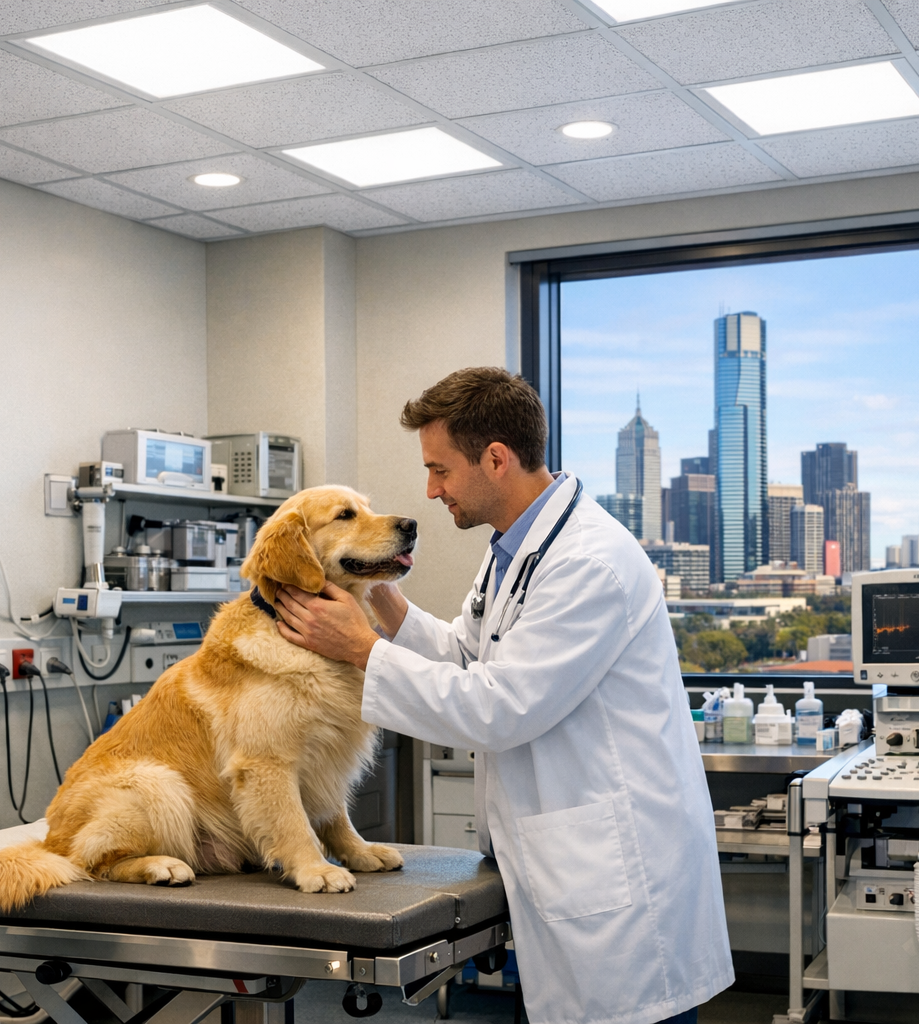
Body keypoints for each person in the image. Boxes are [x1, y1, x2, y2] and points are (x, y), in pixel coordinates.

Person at [273, 367, 733, 1024]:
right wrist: (384, 602)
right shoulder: (513, 552)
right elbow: (469, 655)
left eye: (440, 471)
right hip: (560, 873)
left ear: (495, 458)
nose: (431, 491)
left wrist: (362, 649)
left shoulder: (588, 562)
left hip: (620, 894)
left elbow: (497, 707)